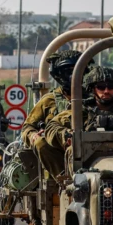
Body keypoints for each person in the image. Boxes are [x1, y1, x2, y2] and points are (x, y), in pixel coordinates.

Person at [44, 66, 113, 178]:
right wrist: (66, 135)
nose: (106, 91)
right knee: (74, 150)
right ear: (92, 89)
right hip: (85, 168)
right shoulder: (81, 111)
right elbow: (51, 127)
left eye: (110, 87)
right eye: (101, 87)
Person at [21, 50, 94, 180]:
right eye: (69, 71)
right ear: (59, 74)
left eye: (77, 70)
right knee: (41, 143)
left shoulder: (95, 98)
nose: (74, 75)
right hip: (57, 156)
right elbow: (27, 128)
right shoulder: (48, 101)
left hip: (88, 151)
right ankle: (65, 181)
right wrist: (33, 136)